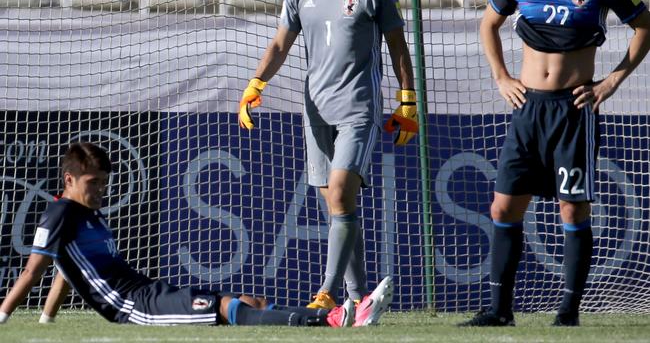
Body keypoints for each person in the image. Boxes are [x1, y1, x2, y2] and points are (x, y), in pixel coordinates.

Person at [459, 0, 650, 327]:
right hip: (527, 109)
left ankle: (568, 312)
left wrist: (612, 81)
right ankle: (498, 310)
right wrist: (501, 77)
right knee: (503, 208)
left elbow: (644, 26)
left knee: (572, 207)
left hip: (574, 110)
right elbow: (489, 23)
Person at [238, 0, 416, 310]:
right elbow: (281, 44)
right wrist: (255, 83)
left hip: (358, 109)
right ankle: (360, 299)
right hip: (315, 111)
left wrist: (407, 101)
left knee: (339, 195)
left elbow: (398, 48)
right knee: (338, 206)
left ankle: (327, 294)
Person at [0, 142, 394, 327]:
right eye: (93, 182)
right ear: (69, 180)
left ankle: (335, 314)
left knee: (243, 300)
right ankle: (329, 321)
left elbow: (65, 272)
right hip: (134, 309)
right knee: (225, 309)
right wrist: (3, 317)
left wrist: (47, 322)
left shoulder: (91, 216)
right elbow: (33, 272)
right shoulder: (60, 213)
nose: (101, 189)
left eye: (104, 182)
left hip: (147, 290)